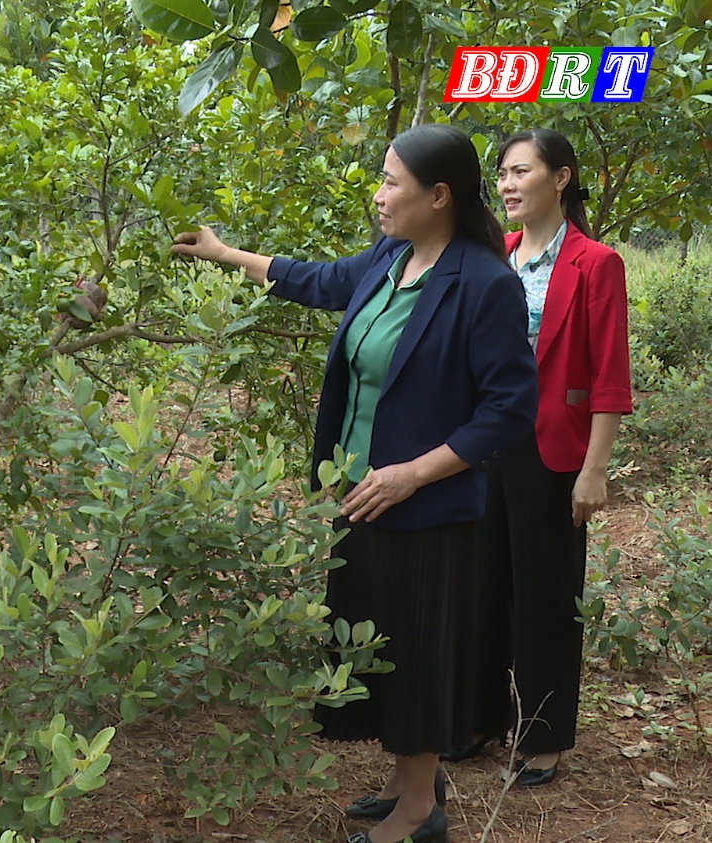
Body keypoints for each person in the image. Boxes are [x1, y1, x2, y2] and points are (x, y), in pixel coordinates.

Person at [171, 124, 538, 843]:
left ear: (437, 196)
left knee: (419, 653)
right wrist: (224, 254)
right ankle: (408, 779)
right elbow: (316, 278)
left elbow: (508, 411)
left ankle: (419, 812)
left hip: (428, 508)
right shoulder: (389, 258)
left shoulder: (484, 283)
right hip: (362, 499)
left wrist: (412, 474)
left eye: (392, 181)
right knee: (380, 647)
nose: (379, 194)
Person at [481, 128, 632, 786]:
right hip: (486, 447)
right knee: (484, 588)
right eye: (503, 175)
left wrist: (594, 469)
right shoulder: (499, 256)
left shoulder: (596, 263)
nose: (508, 185)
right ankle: (481, 717)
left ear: (561, 178)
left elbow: (608, 376)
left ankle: (541, 738)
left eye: (521, 171)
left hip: (554, 451)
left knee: (545, 593)